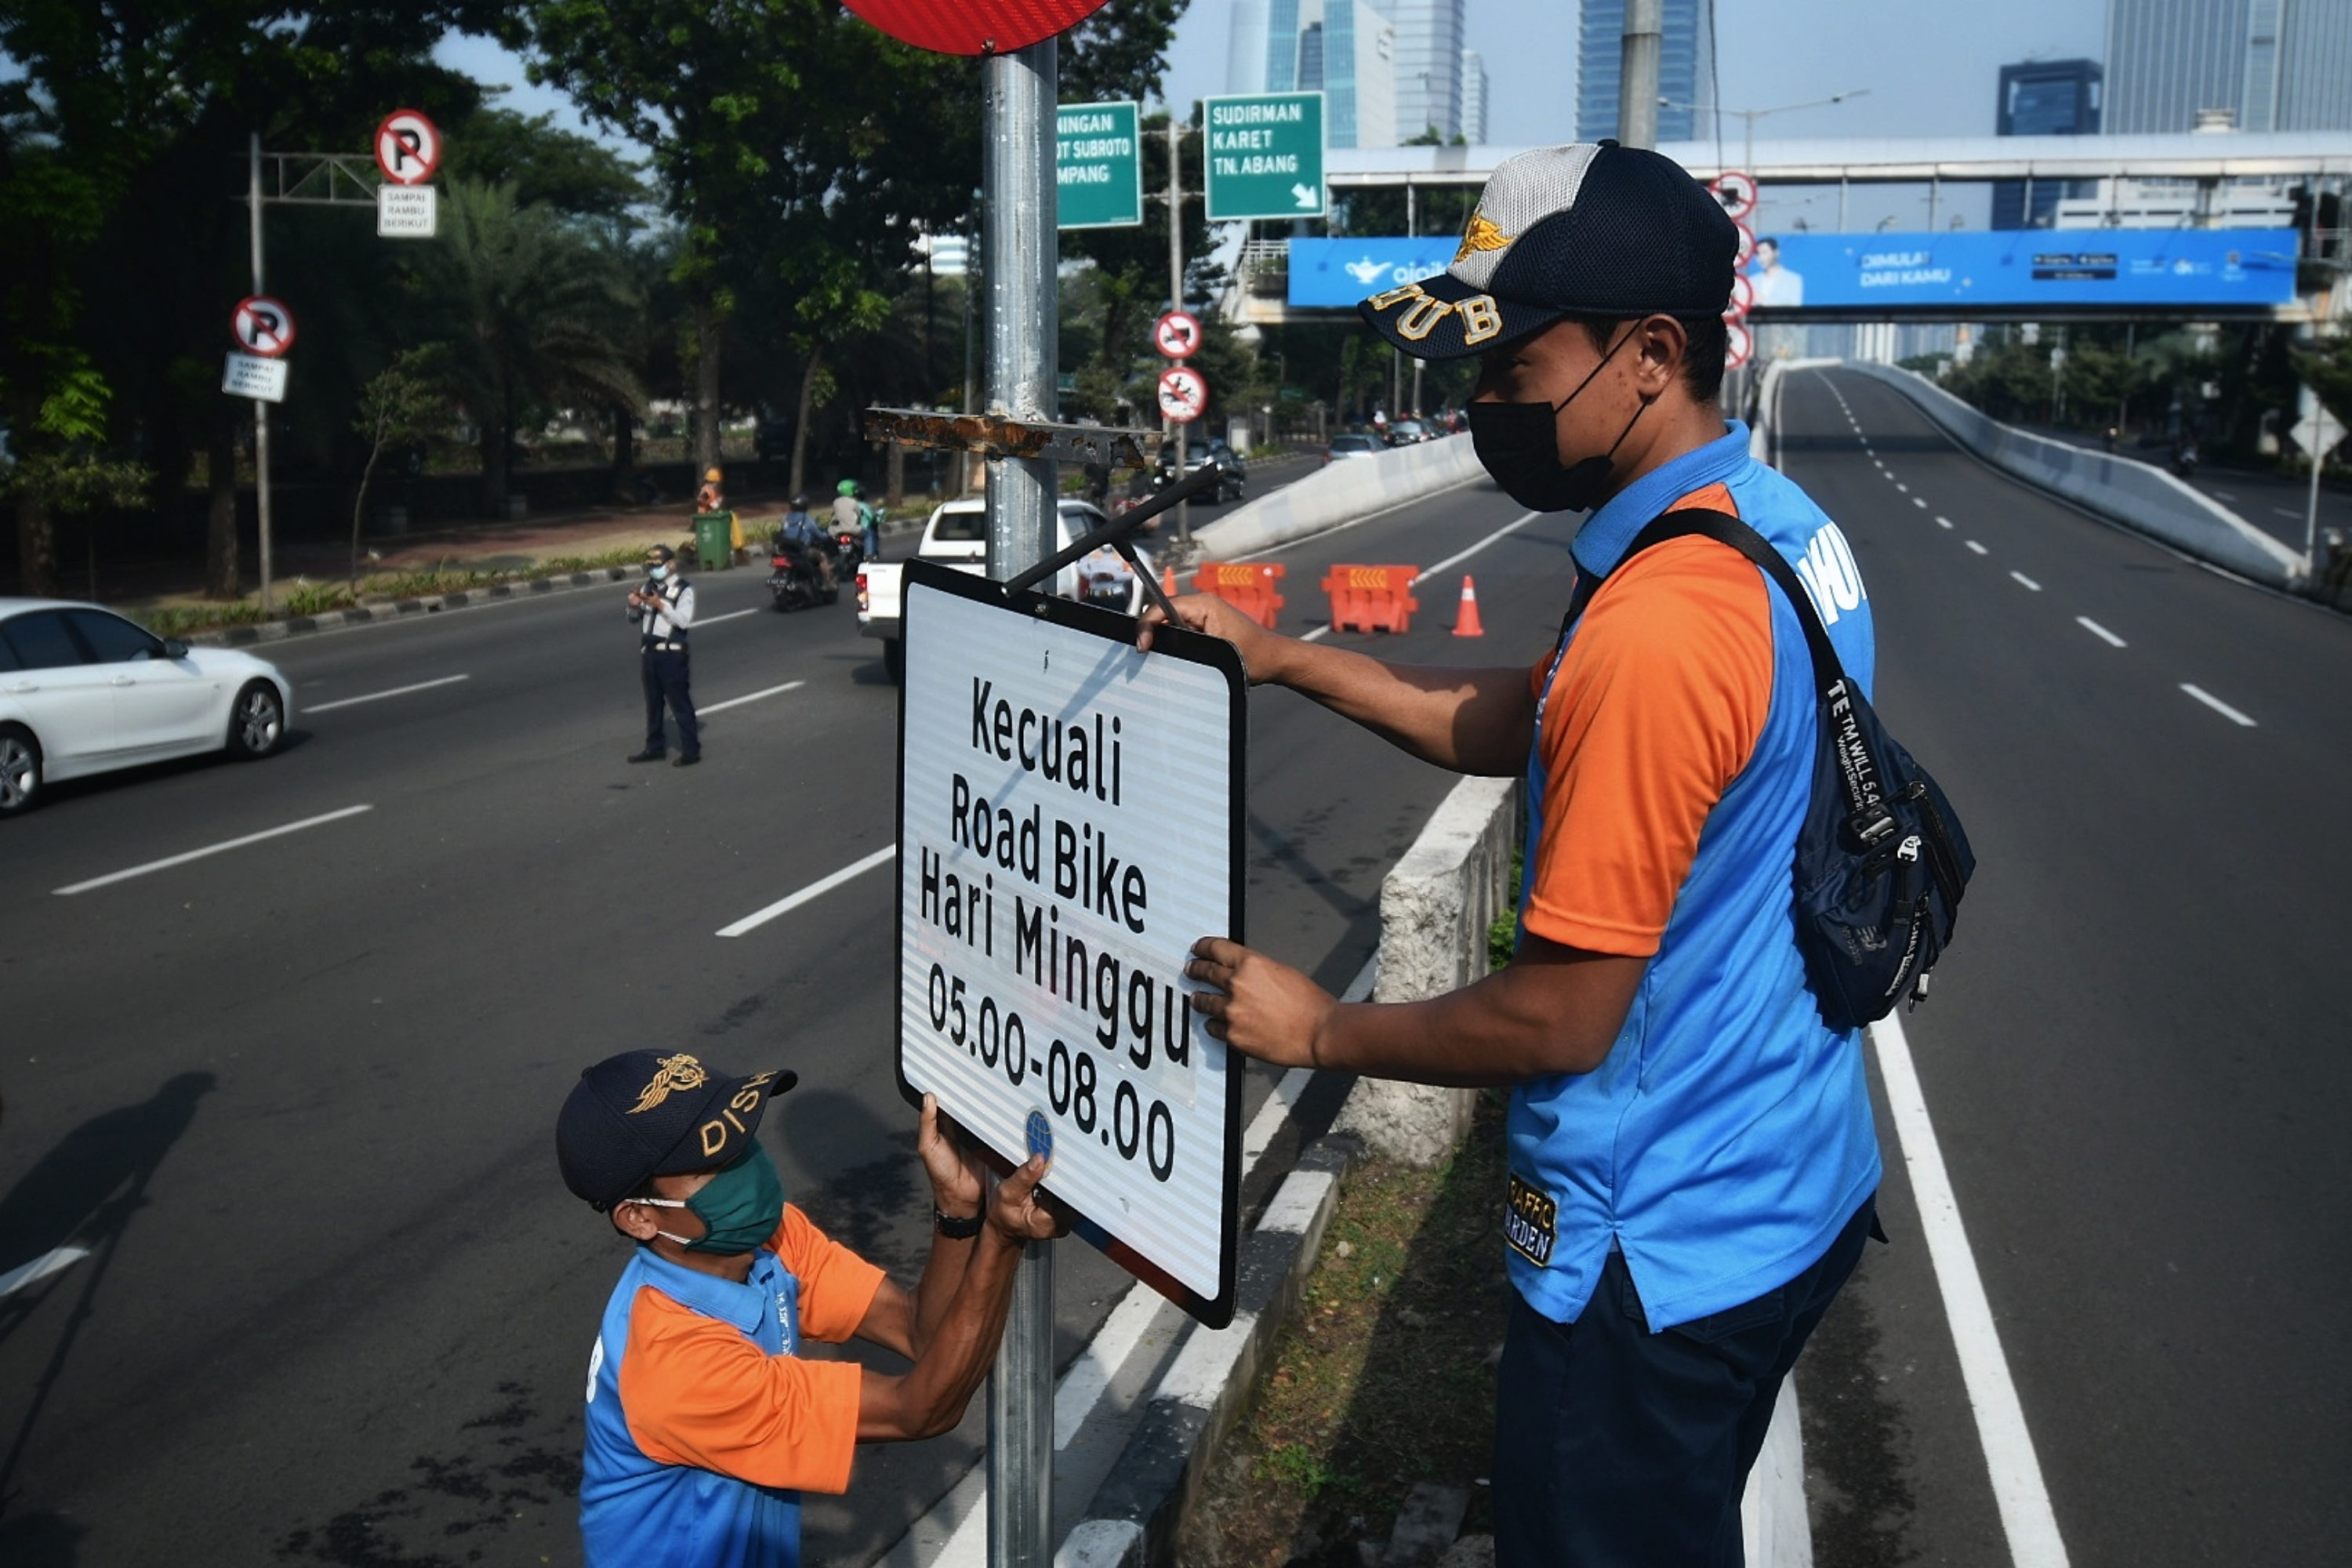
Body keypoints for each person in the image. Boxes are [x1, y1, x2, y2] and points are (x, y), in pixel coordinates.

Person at [1147, 143, 1882, 1566]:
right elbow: (1527, 720)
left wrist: (1325, 1028)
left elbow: (1563, 1013)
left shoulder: (1660, 630)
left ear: (1651, 354)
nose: (1480, 404)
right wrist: (1283, 659)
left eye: (1512, 365)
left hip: (1649, 1250)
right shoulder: (1762, 529)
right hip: (1790, 1176)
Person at [556, 1051, 1061, 1568]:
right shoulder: (675, 1365)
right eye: (713, 1165)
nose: (747, 1169)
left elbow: (918, 1331)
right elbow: (921, 1409)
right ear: (639, 1218)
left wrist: (957, 1209)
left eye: (740, 1139)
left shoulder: (767, 1238)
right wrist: (1000, 1238)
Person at [628, 544, 700, 767]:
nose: (654, 571)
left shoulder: (683, 589)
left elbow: (684, 621)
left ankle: (691, 750)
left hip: (671, 654)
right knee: (653, 704)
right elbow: (635, 619)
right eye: (651, 567)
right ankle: (655, 747)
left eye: (658, 567)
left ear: (671, 564)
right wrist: (634, 606)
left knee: (680, 704)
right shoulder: (650, 586)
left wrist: (661, 605)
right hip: (650, 654)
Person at [775, 495, 836, 593]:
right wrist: (827, 535)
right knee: (822, 557)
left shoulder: (785, 518)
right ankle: (827, 583)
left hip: (785, 550)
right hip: (801, 551)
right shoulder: (807, 520)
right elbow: (819, 535)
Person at [1751, 236, 1803, 307]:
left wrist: (1763, 300)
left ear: (1776, 253)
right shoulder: (1752, 281)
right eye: (1758, 254)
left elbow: (1795, 306)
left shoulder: (1793, 279)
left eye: (1764, 252)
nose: (1761, 257)